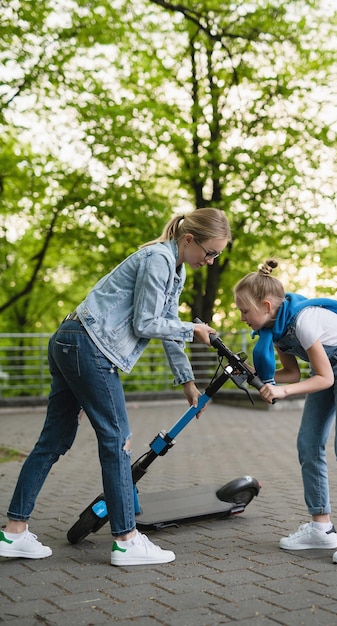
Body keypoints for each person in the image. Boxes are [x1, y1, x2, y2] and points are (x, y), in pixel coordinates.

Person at [0, 208, 231, 567]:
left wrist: (187, 382)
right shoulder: (158, 259)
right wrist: (193, 329)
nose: (212, 261)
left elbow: (164, 323)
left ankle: (13, 532)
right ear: (189, 240)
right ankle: (126, 539)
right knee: (117, 439)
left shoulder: (176, 269)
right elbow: (147, 322)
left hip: (69, 340)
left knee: (53, 440)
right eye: (210, 252)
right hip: (89, 347)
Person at [233, 258, 337, 566]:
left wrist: (282, 391)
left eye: (245, 311)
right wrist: (263, 379)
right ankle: (321, 527)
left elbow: (324, 378)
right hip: (326, 371)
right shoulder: (275, 329)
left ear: (265, 305)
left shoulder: (303, 321)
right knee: (308, 445)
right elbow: (294, 375)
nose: (242, 317)